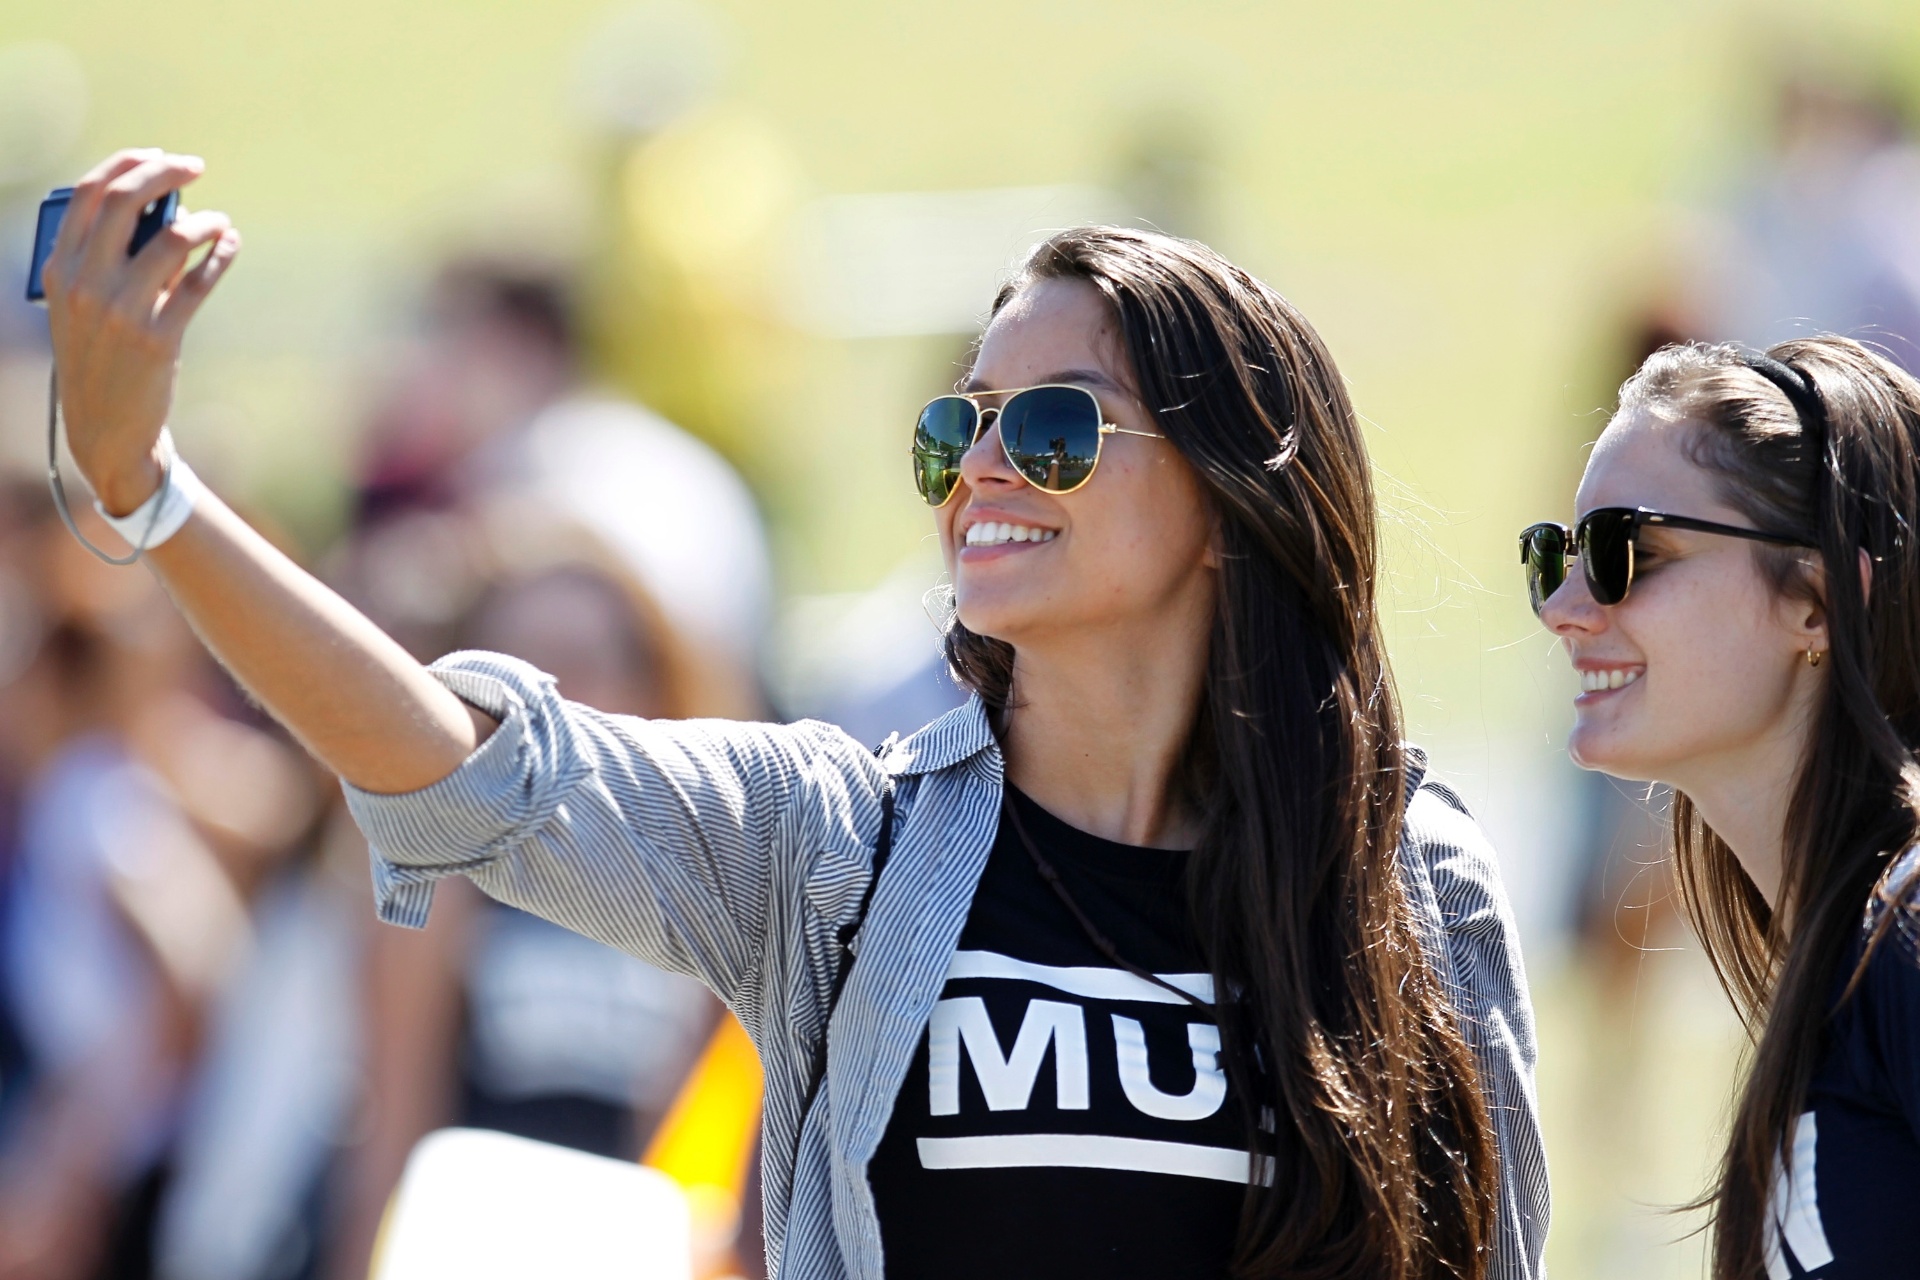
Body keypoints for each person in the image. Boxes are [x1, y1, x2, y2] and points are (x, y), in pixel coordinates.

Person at [42, 149, 1546, 1280]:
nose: (985, 468)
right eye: (959, 425)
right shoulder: (841, 846)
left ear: (1230, 499)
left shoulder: (1408, 881)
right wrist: (150, 494)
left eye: (1055, 428)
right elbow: (461, 763)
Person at [1527, 335, 1920, 1278]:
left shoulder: (1906, 932)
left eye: (1632, 551)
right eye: (1561, 555)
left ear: (1818, 600)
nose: (1565, 607)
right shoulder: (1849, 950)